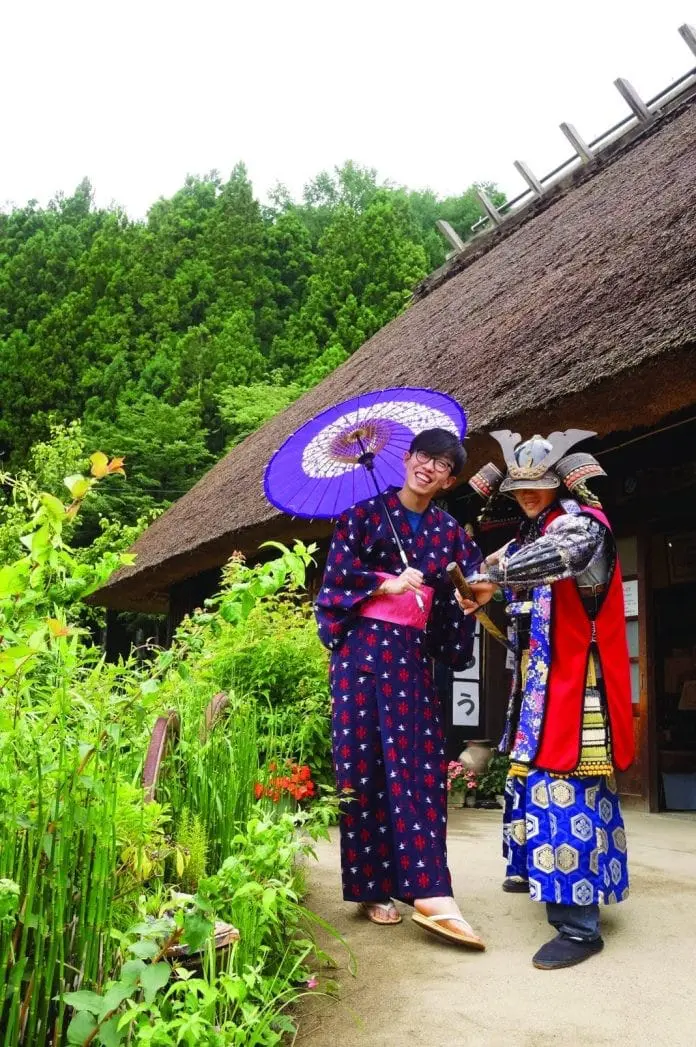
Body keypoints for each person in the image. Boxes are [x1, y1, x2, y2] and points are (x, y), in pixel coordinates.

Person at [462, 429, 634, 970]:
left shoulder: (582, 526)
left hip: (576, 685)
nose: (528, 494)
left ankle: (580, 928)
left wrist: (487, 576)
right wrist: (476, 591)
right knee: (533, 781)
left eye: (538, 484)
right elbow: (499, 585)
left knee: (569, 790)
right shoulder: (524, 538)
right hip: (538, 684)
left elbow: (554, 559)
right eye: (519, 487)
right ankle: (542, 874)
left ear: (561, 481)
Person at [315, 428, 486, 948]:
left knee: (417, 768)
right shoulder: (361, 517)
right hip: (362, 658)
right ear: (407, 459)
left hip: (410, 661)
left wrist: (471, 600)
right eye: (423, 457)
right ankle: (371, 888)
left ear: (450, 478)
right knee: (362, 769)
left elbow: (467, 590)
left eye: (442, 464)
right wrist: (382, 583)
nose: (428, 468)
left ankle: (429, 889)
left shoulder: (452, 533)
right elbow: (334, 586)